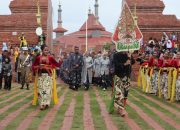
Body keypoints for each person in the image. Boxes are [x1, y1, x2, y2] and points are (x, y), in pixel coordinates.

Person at [32, 44, 62, 110]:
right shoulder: (38, 58)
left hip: (48, 77)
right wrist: (39, 66)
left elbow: (57, 65)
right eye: (45, 50)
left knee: (47, 91)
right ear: (42, 50)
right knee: (40, 91)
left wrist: (60, 59)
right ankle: (42, 104)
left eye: (47, 50)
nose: (46, 51)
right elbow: (33, 66)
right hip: (40, 76)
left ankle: (46, 103)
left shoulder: (50, 58)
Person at [112, 51, 135, 116]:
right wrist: (124, 64)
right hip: (118, 76)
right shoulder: (116, 55)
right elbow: (116, 65)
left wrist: (129, 57)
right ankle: (121, 109)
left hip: (127, 77)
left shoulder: (128, 53)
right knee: (119, 93)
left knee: (125, 94)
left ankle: (120, 108)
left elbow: (133, 62)